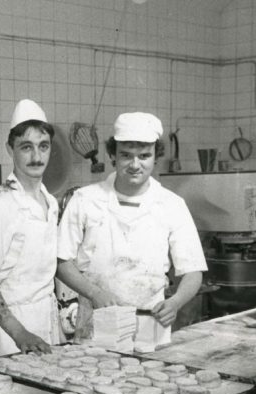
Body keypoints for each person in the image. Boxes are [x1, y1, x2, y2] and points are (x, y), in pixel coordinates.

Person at [56, 112, 207, 349]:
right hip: (95, 327)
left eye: (144, 156)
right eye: (126, 156)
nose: (135, 165)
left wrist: (176, 302)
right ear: (113, 155)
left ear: (156, 157)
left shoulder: (171, 205)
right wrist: (94, 293)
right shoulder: (85, 199)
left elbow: (193, 271)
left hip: (150, 327)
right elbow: (61, 261)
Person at [0, 99, 64, 360]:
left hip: (46, 321)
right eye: (26, 147)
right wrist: (20, 334)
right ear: (10, 149)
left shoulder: (50, 202)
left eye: (43, 147)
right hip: (9, 332)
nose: (36, 157)